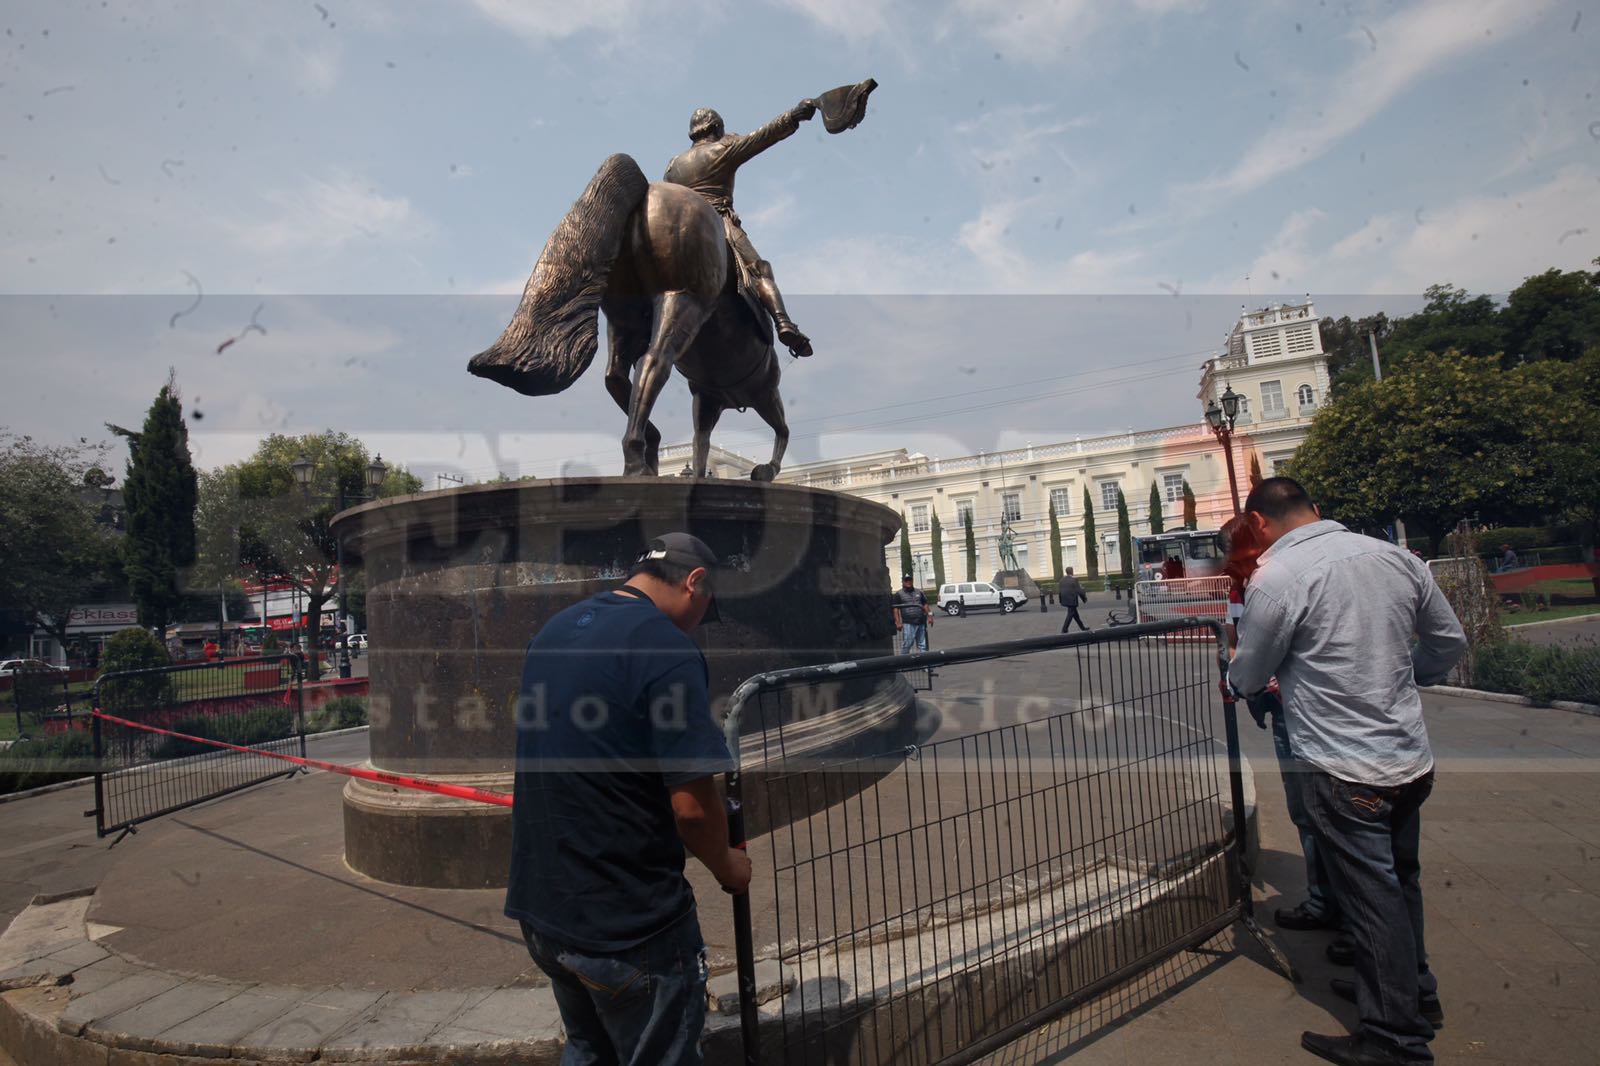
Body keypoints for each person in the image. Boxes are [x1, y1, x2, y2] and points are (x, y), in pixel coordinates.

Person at [1227, 479, 1466, 1066]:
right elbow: (1448, 642)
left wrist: (1235, 677)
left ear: (1258, 523)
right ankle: (1412, 995)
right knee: (1400, 881)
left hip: (1343, 766)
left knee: (1372, 899)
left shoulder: (1280, 579)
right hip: (1409, 758)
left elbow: (1251, 673)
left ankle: (1394, 1040)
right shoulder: (1393, 556)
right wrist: (1403, 676)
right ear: (1315, 509)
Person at [505, 533, 750, 1066]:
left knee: (589, 1050)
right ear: (695, 583)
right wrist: (727, 864)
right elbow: (691, 804)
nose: (697, 624)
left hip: (543, 905)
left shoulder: (555, 629)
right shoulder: (665, 648)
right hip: (626, 921)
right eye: (704, 609)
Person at [1220, 512, 1342, 937]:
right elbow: (1240, 640)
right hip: (1291, 707)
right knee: (1311, 810)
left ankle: (1338, 911)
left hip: (1304, 710)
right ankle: (1330, 902)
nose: (1233, 566)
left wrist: (1241, 678)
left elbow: (1258, 657)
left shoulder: (1277, 579)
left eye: (1237, 555)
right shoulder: (1247, 585)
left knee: (1320, 811)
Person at [664, 102, 819, 358]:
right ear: (715, 128)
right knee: (760, 270)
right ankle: (783, 323)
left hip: (679, 232)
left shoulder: (673, 165)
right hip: (719, 222)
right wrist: (793, 116)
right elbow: (763, 136)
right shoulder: (723, 148)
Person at [893, 572, 932, 653]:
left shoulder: (919, 592)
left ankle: (924, 664)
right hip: (908, 623)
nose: (908, 582)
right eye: (906, 580)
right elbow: (895, 609)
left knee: (922, 645)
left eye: (910, 580)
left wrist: (930, 616)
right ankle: (903, 663)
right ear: (903, 582)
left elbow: (925, 604)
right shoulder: (898, 594)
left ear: (912, 581)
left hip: (921, 622)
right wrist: (897, 622)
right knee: (907, 644)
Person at [1058, 567, 1089, 632]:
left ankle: (1082, 627)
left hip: (1065, 599)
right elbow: (1079, 591)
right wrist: (1084, 598)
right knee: (1070, 614)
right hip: (1072, 600)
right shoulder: (1074, 580)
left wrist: (1060, 600)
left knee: (1075, 615)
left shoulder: (1061, 580)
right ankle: (1064, 629)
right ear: (1072, 571)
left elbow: (1060, 592)